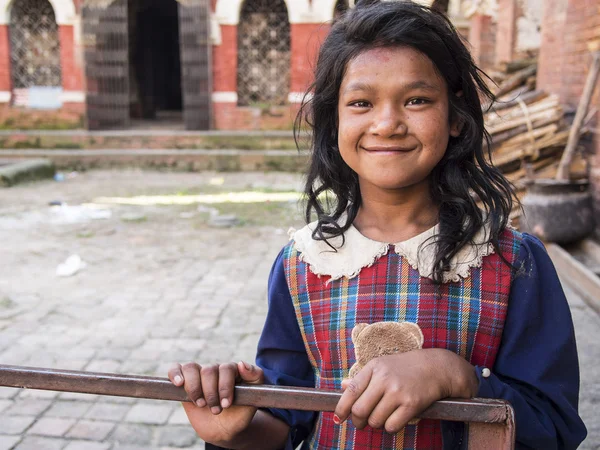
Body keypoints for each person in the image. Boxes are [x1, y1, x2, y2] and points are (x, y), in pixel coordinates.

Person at [168, 1, 587, 449]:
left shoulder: (513, 262)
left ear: (457, 118)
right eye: (362, 102)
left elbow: (554, 429)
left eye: (417, 100)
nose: (387, 124)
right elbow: (289, 418)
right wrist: (234, 429)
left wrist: (458, 376)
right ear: (333, 124)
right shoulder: (303, 264)